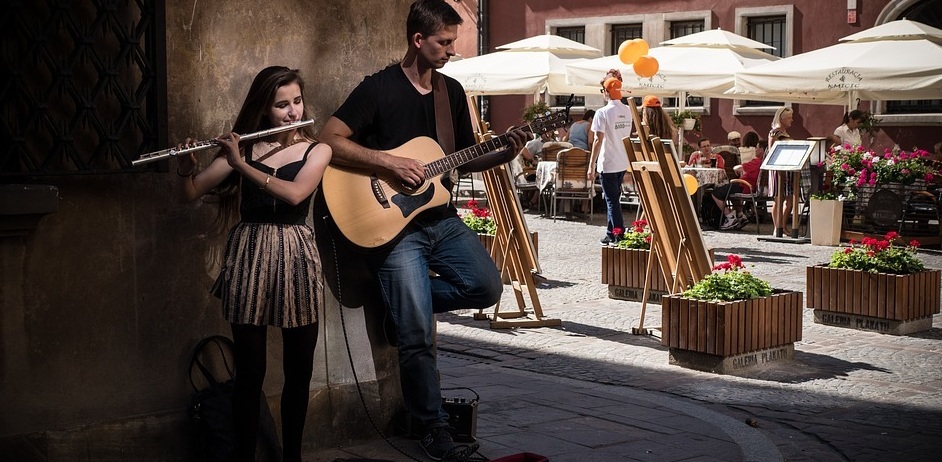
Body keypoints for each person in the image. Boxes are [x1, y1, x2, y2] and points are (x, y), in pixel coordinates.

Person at [317, 1, 526, 460]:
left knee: (485, 285)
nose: (452, 50)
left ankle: (399, 306)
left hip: (439, 217)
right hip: (394, 227)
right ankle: (431, 427)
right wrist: (389, 161)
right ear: (418, 40)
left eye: (453, 42)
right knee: (417, 337)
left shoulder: (449, 92)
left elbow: (465, 156)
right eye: (444, 42)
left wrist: (504, 152)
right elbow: (328, 139)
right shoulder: (378, 88)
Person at [175, 66, 332, 462]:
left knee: (299, 372)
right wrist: (186, 167)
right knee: (249, 373)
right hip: (251, 253)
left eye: (297, 101)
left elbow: (296, 194)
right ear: (265, 109)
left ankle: (291, 457)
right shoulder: (243, 148)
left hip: (296, 254)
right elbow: (190, 192)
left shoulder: (318, 150)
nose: (293, 111)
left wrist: (242, 166)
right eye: (282, 105)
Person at [588, 69, 633, 245]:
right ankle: (610, 232)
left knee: (612, 200)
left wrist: (591, 164)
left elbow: (598, 140)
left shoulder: (602, 113)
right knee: (613, 198)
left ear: (606, 92)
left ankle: (619, 234)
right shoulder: (628, 110)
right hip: (622, 160)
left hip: (607, 161)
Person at [711, 132, 763, 230]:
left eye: (757, 147)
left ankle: (730, 217)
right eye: (734, 140)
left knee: (716, 192)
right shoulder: (762, 161)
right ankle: (740, 215)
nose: (736, 142)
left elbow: (739, 167)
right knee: (729, 190)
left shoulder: (754, 160)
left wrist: (737, 169)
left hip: (744, 186)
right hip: (746, 185)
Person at [768, 106, 795, 236]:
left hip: (789, 169)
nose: (792, 120)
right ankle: (777, 227)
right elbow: (772, 150)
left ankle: (783, 226)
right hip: (778, 169)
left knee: (790, 200)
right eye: (789, 118)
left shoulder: (785, 133)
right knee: (779, 199)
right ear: (782, 119)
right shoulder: (775, 132)